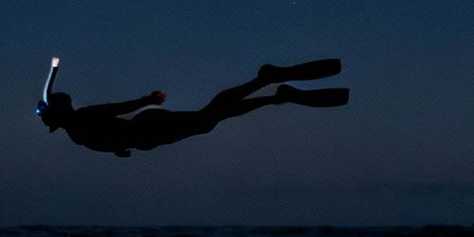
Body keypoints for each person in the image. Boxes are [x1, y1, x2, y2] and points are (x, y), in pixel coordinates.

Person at [37, 59, 349, 157]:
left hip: (148, 129)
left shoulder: (79, 128)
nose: (70, 103)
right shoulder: (79, 128)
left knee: (209, 117)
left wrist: (145, 102)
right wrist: (121, 146)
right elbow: (109, 141)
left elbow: (116, 114)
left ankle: (268, 86)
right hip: (147, 132)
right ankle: (273, 91)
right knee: (211, 117)